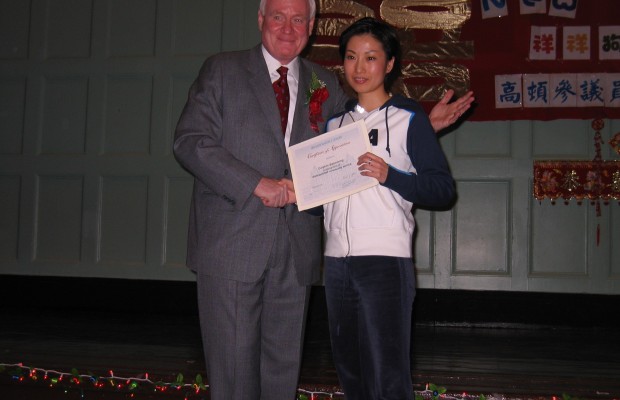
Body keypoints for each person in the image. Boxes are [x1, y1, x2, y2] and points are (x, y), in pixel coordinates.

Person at [173, 0, 472, 398]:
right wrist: (255, 183)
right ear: (261, 19)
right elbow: (190, 142)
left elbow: (351, 147)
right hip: (232, 242)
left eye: (298, 19)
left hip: (297, 248)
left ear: (312, 26)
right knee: (231, 370)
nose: (287, 27)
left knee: (283, 369)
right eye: (277, 16)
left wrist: (420, 128)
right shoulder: (222, 70)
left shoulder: (324, 84)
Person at [320, 17, 457, 399]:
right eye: (350, 57)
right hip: (336, 262)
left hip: (384, 260)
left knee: (388, 374)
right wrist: (305, 196)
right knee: (350, 370)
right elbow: (323, 204)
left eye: (370, 58)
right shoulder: (333, 125)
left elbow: (441, 189)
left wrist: (389, 175)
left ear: (390, 63)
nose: (359, 68)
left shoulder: (409, 118)